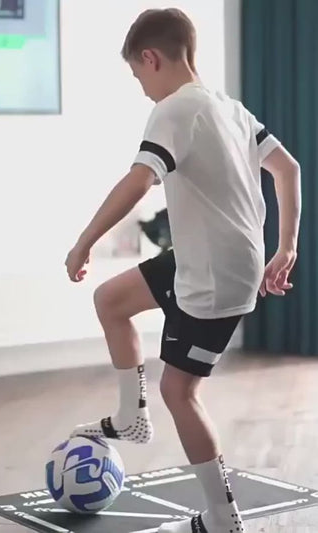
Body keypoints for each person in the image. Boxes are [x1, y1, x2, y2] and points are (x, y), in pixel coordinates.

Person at [64, 8, 301, 533]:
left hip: (215, 277)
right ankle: (130, 417)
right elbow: (288, 168)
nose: (142, 89)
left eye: (137, 75)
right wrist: (285, 247)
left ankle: (221, 518)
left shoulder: (173, 108)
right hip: (208, 258)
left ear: (150, 58)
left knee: (180, 393)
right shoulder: (230, 108)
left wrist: (84, 241)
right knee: (111, 301)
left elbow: (137, 181)